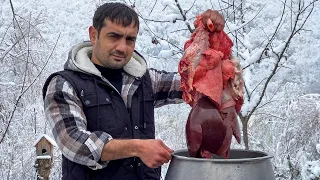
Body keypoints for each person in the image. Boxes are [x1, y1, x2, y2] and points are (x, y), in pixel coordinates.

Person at [43, 2, 225, 180]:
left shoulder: (144, 80)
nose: (122, 47)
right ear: (93, 35)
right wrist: (138, 148)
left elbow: (196, 84)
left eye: (130, 39)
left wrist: (209, 35)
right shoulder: (64, 84)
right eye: (114, 36)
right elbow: (73, 142)